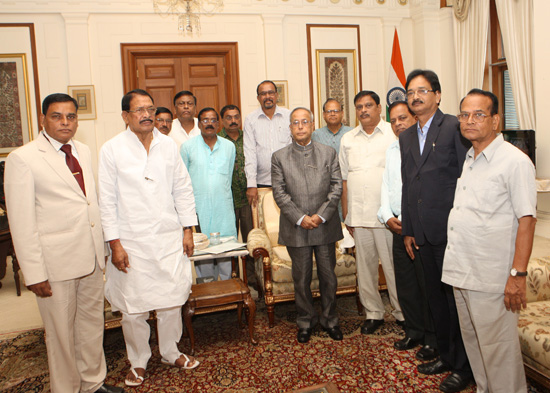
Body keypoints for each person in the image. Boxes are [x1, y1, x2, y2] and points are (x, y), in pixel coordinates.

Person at [4, 93, 123, 393]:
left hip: (92, 258)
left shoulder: (82, 149)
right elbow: (21, 222)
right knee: (60, 336)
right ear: (42, 119)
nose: (65, 122)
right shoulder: (23, 158)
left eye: (71, 116)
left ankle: (93, 383)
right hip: (55, 265)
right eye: (57, 116)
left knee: (91, 328)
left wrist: (105, 248)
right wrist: (34, 273)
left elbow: (89, 203)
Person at [98, 89, 199, 387]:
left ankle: (170, 351)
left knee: (171, 300)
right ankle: (138, 360)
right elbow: (107, 200)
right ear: (125, 116)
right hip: (130, 242)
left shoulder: (168, 146)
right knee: (133, 306)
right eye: (139, 110)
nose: (146, 115)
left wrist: (188, 228)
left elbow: (182, 188)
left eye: (150, 109)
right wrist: (114, 244)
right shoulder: (111, 149)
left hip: (168, 238)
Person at [442, 89, 536, 393]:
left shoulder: (514, 162)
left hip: (492, 277)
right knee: (476, 348)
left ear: (495, 120)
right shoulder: (470, 157)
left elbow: (527, 220)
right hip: (463, 271)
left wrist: (517, 276)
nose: (470, 121)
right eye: (464, 115)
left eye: (478, 114)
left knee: (499, 353)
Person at [400, 69, 471, 393]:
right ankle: (445, 354)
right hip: (422, 234)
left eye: (422, 91)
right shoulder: (405, 136)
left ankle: (464, 366)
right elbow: (408, 183)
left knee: (457, 303)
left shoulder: (454, 128)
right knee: (436, 301)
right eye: (411, 92)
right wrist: (408, 230)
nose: (415, 96)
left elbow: (465, 180)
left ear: (437, 95)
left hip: (450, 232)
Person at [271, 107, 343, 344]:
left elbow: (336, 188)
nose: (300, 126)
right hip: (296, 227)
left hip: (325, 226)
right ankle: (305, 321)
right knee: (300, 279)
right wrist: (302, 218)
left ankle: (330, 320)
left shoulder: (329, 153)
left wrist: (320, 216)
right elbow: (279, 193)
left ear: (312, 125)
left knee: (328, 277)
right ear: (290, 128)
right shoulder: (279, 157)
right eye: (295, 123)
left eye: (305, 122)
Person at [339, 90, 403, 335]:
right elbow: (345, 180)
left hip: (387, 216)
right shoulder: (348, 139)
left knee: (393, 268)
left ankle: (401, 313)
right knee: (364, 270)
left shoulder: (393, 133)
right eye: (359, 106)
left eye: (368, 105)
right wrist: (347, 216)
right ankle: (373, 313)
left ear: (379, 108)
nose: (363, 110)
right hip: (359, 215)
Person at [377, 101, 437, 361]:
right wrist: (387, 216)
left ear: (414, 119)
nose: (398, 124)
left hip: (420, 227)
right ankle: (414, 330)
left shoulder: (426, 148)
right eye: (393, 120)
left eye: (403, 118)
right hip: (398, 227)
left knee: (427, 284)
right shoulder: (392, 148)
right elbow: (387, 186)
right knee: (406, 283)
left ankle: (432, 338)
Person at [181, 107, 237, 281]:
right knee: (202, 253)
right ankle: (207, 294)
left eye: (213, 120)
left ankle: (228, 291)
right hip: (199, 209)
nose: (209, 124)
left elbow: (228, 175)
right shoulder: (187, 147)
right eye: (205, 120)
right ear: (199, 124)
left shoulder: (229, 146)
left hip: (223, 209)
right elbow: (182, 181)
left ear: (219, 124)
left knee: (226, 251)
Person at [219, 104, 256, 287]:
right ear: (222, 120)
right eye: (228, 117)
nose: (233, 121)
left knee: (252, 241)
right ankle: (233, 282)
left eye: (236, 117)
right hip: (227, 200)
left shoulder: (248, 137)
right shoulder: (216, 140)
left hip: (249, 199)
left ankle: (253, 282)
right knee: (229, 243)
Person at [243, 80, 291, 207]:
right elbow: (250, 152)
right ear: (258, 98)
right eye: (263, 94)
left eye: (271, 93)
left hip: (288, 181)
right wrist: (251, 184)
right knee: (265, 223)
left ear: (277, 95)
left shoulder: (289, 116)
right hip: (262, 183)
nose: (267, 97)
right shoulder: (250, 120)